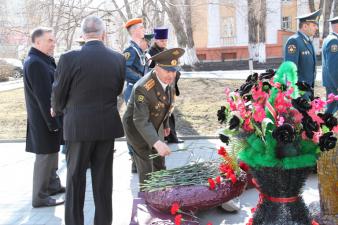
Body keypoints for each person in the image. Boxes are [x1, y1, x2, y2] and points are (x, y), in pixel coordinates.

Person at [51, 16, 125, 225]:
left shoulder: (68, 58)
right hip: (105, 127)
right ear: (103, 34)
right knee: (103, 181)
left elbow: (58, 91)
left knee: (75, 180)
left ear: (82, 35)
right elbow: (118, 90)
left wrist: (56, 109)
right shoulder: (118, 58)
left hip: (78, 127)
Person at [123, 48, 185, 189]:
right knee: (147, 167)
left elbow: (165, 105)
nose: (171, 75)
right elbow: (140, 120)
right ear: (157, 68)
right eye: (167, 71)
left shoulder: (168, 81)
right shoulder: (143, 88)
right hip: (136, 129)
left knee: (159, 163)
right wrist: (157, 143)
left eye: (173, 70)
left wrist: (166, 124)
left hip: (154, 124)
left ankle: (163, 193)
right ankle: (148, 197)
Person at [23, 27, 65, 208]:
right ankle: (39, 196)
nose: (53, 44)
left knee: (52, 152)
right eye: (50, 40)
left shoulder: (42, 60)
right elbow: (44, 97)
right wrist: (52, 122)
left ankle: (52, 186)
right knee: (45, 156)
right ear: (37, 42)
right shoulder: (35, 63)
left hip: (48, 118)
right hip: (44, 119)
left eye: (53, 40)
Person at [148, 27, 184, 143]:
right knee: (160, 113)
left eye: (165, 40)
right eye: (162, 40)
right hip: (158, 87)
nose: (164, 42)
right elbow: (151, 70)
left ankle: (172, 137)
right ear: (156, 40)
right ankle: (163, 138)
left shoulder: (167, 50)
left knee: (169, 111)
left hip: (169, 86)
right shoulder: (151, 53)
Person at [284, 9, 321, 100]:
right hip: (299, 91)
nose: (316, 28)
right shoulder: (294, 41)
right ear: (305, 26)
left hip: (308, 89)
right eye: (314, 25)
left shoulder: (308, 41)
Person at [123, 18, 147, 103]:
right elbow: (124, 70)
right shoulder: (130, 50)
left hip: (140, 90)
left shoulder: (139, 50)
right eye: (141, 27)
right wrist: (142, 80)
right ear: (134, 31)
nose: (144, 29)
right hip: (133, 92)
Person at [322, 16, 338, 114]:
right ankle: (327, 128)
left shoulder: (329, 38)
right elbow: (333, 66)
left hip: (331, 82)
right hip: (334, 83)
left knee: (332, 109)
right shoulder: (334, 41)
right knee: (332, 110)